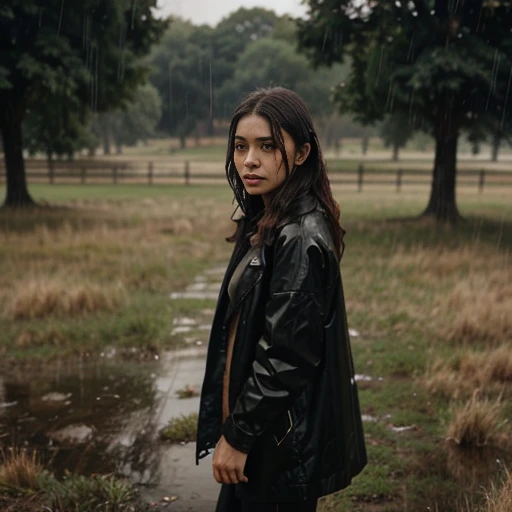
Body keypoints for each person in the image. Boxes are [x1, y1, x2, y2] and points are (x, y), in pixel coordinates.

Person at [196, 87, 367, 512]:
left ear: (303, 151)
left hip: (276, 444)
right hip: (264, 436)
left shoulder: (301, 236)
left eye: (267, 146)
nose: (249, 160)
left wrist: (238, 436)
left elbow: (286, 357)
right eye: (240, 146)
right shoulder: (268, 221)